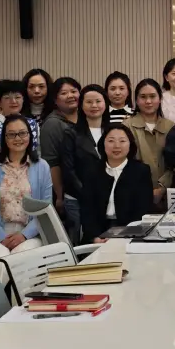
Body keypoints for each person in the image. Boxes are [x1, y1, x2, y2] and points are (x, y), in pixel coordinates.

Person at [0, 115, 50, 285]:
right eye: (12, 134)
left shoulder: (42, 166)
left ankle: (19, 302)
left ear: (30, 136)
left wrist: (24, 235)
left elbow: (45, 209)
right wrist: (0, 235)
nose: (18, 138)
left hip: (29, 234)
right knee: (0, 263)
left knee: (20, 262)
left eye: (22, 133)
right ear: (4, 138)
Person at [79, 125, 153, 243]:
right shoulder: (92, 171)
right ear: (103, 143)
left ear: (130, 144)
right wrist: (95, 238)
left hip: (129, 233)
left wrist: (123, 236)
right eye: (111, 141)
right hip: (98, 232)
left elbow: (143, 210)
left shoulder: (141, 171)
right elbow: (87, 210)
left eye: (122, 141)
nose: (116, 146)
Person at [60, 84, 110, 238]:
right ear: (81, 105)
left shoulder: (113, 131)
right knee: (81, 241)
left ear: (105, 103)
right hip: (77, 199)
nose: (94, 105)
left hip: (108, 199)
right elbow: (68, 170)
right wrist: (87, 194)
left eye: (98, 101)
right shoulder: (70, 133)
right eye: (89, 102)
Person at [39, 77, 82, 242]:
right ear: (55, 100)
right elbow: (52, 163)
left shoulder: (84, 118)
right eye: (64, 93)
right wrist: (59, 196)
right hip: (66, 192)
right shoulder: (52, 124)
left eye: (73, 91)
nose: (70, 96)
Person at [125, 79, 175, 210]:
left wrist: (162, 187)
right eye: (143, 97)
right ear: (136, 100)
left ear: (160, 99)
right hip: (136, 194)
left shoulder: (171, 127)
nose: (148, 101)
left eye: (152, 96)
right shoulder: (126, 126)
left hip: (167, 196)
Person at [0, 79, 40, 157]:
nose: (13, 101)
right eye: (7, 98)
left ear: (23, 100)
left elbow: (37, 154)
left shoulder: (33, 124)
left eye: (17, 97)